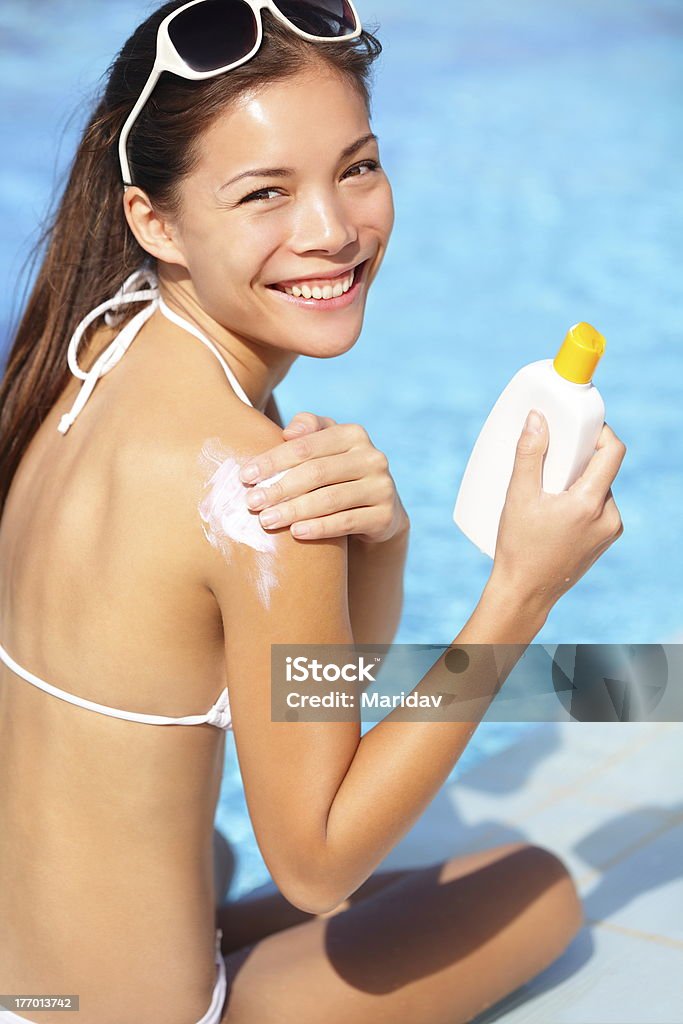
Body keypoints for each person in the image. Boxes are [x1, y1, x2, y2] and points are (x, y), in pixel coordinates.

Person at [0, 2, 627, 1022]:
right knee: (536, 883)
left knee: (197, 846)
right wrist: (517, 594)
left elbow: (317, 695)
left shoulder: (87, 356)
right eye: (265, 192)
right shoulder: (247, 485)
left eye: (356, 166)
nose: (331, 229)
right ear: (152, 219)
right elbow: (318, 868)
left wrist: (380, 546)